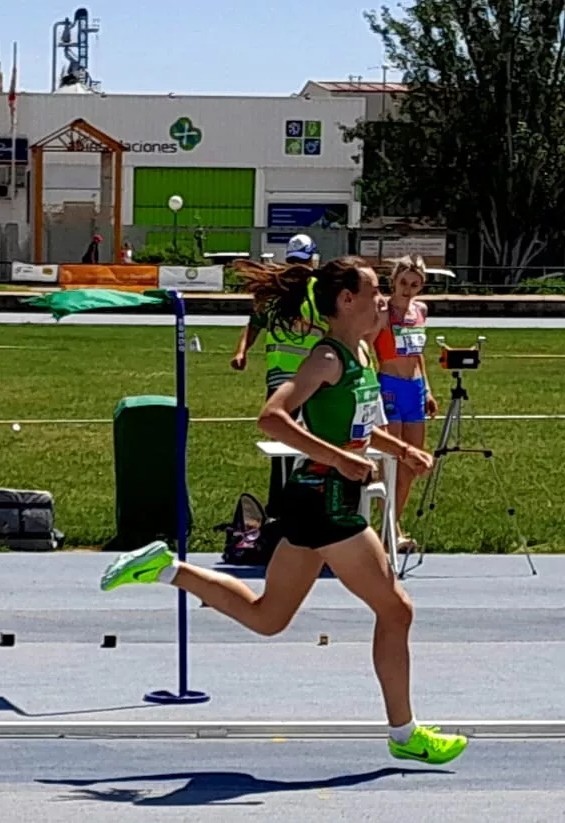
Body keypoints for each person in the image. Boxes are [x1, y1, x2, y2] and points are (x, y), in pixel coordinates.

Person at [100, 256, 470, 766]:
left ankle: (165, 567)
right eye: (373, 291)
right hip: (326, 502)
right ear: (346, 301)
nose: (383, 300)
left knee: (268, 616)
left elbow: (356, 426)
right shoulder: (326, 358)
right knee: (396, 608)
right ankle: (404, 733)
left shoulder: (359, 353)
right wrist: (340, 459)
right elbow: (272, 417)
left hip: (317, 499)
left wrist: (398, 450)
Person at [230, 234, 328, 517]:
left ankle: (304, 504)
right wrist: (242, 351)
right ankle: (282, 507)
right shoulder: (276, 293)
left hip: (312, 379)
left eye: (303, 262)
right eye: (297, 262)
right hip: (288, 380)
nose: (301, 267)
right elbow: (254, 325)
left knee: (311, 443)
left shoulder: (319, 291)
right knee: (285, 446)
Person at [372, 255, 437, 547]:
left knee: (412, 464)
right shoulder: (383, 310)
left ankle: (391, 527)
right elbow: (366, 341)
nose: (408, 289)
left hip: (414, 389)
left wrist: (428, 389)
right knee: (392, 461)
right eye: (403, 283)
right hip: (389, 386)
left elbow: (418, 353)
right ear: (393, 281)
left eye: (414, 284)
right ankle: (390, 530)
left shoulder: (420, 310)